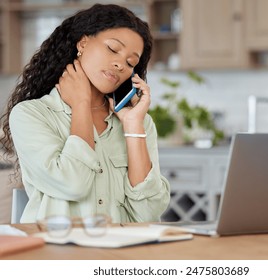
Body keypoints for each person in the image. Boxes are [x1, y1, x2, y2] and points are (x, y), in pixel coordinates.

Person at [0, 4, 170, 223]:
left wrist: (133, 127)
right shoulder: (31, 114)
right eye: (112, 49)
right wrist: (81, 103)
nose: (120, 64)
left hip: (124, 250)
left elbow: (149, 211)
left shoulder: (138, 122)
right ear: (83, 42)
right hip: (59, 251)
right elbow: (73, 185)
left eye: (130, 63)